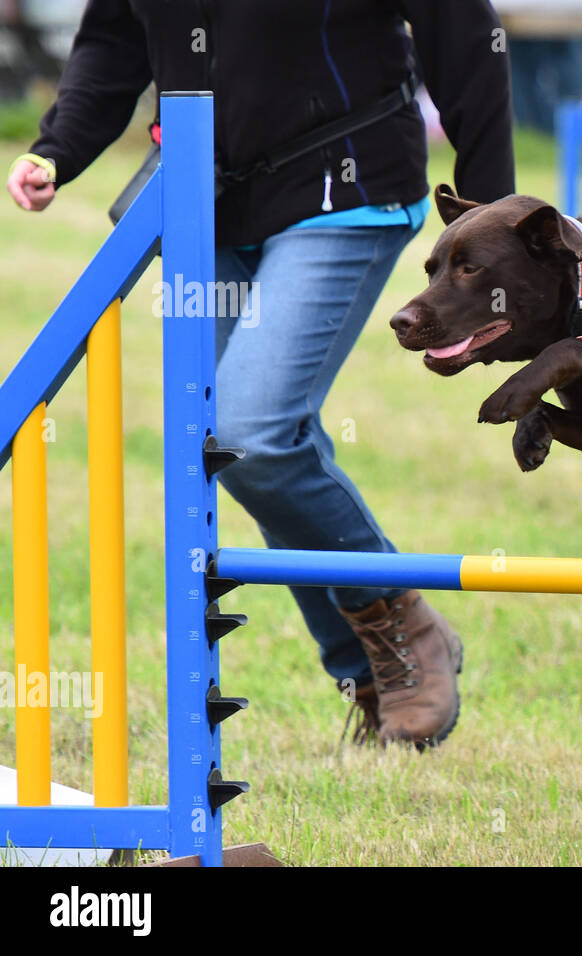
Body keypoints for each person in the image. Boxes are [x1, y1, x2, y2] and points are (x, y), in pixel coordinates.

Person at [6, 0, 516, 749]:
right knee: (234, 445)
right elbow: (115, 37)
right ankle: (372, 665)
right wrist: (59, 147)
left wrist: (488, 208)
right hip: (206, 201)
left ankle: (396, 626)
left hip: (346, 185)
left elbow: (462, 30)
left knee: (250, 430)